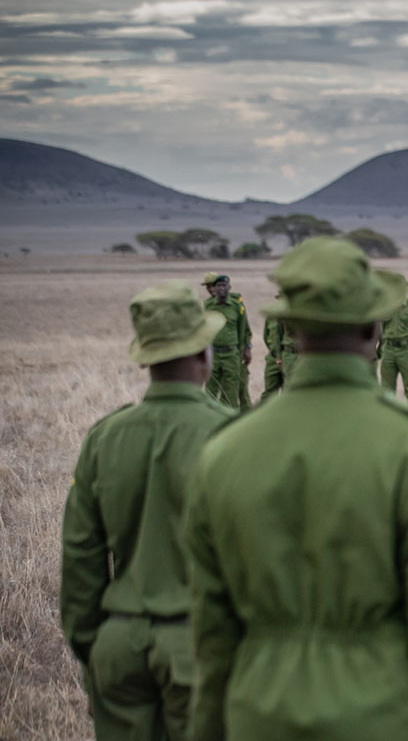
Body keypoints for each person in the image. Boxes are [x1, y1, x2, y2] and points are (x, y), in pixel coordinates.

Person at [187, 237, 408, 741]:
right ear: (374, 327)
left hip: (258, 713)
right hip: (381, 713)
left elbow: (210, 637)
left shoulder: (225, 450)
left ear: (288, 330)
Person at [60, 281, 233, 741]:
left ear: (147, 357)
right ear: (204, 355)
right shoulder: (232, 435)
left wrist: (93, 647)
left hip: (118, 645)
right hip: (200, 645)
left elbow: (80, 557)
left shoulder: (104, 437)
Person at [202, 274, 251, 409]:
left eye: (224, 286)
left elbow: (243, 328)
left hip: (231, 354)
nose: (222, 289)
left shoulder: (236, 306)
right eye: (218, 286)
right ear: (215, 289)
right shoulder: (208, 305)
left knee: (231, 391)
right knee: (210, 391)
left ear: (229, 287)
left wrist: (245, 349)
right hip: (213, 354)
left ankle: (230, 421)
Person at [379, 284, 408, 402]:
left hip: (407, 350)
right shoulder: (385, 306)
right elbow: (381, 329)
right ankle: (388, 419)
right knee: (387, 391)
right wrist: (381, 349)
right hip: (388, 350)